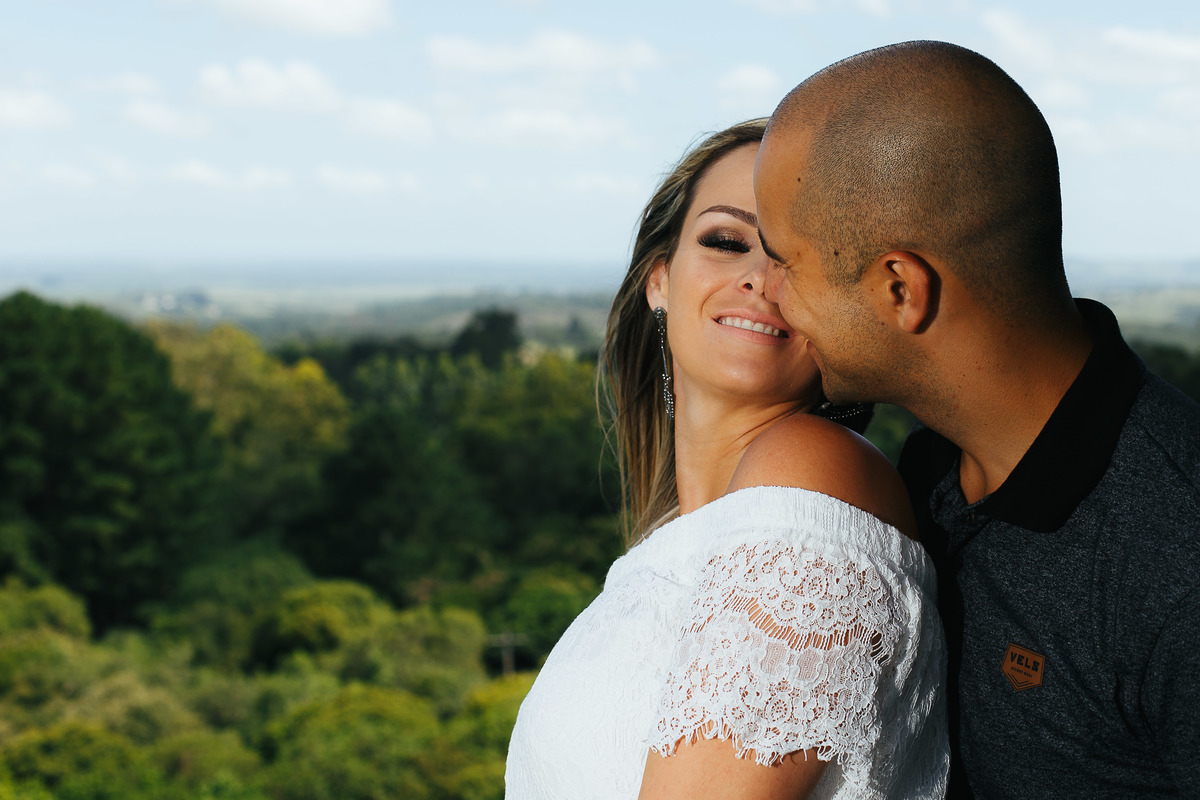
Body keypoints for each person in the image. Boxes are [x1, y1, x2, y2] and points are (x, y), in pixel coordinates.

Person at [754, 40, 1200, 799]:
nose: (766, 294)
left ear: (900, 288)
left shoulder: (1174, 554)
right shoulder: (924, 475)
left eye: (783, 262)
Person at [505, 118, 948, 799]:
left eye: (799, 257)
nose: (758, 278)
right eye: (725, 240)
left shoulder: (815, 472)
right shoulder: (668, 549)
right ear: (658, 280)